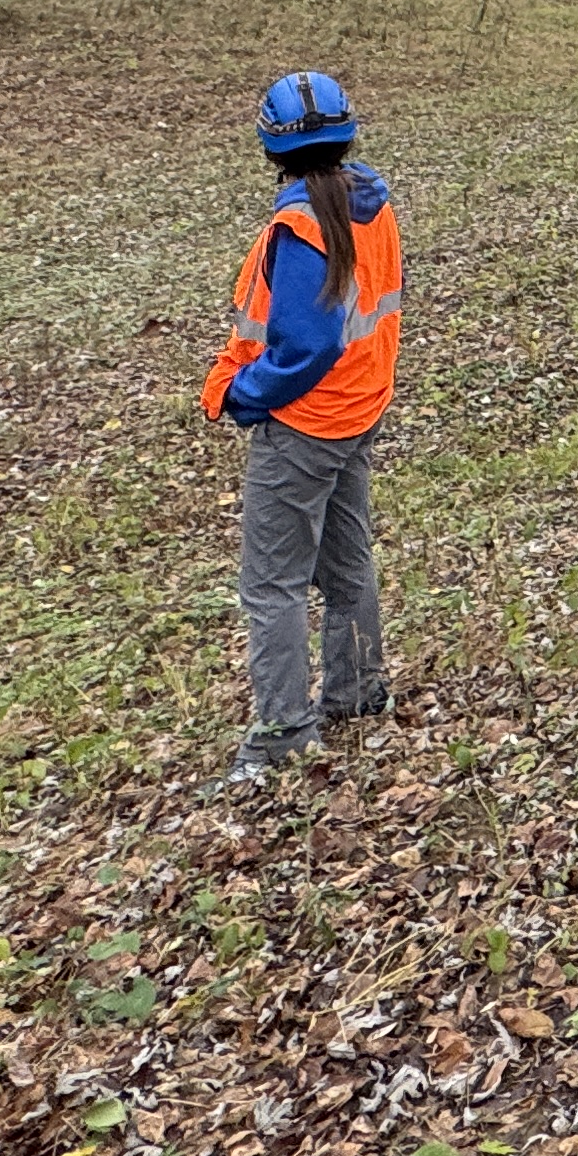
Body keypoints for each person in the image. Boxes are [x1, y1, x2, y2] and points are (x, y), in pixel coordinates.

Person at [203, 70, 405, 784]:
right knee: (348, 563)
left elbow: (306, 345)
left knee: (273, 584)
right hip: (360, 409)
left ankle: (283, 735)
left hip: (305, 425)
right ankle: (358, 693)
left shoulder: (299, 225)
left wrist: (241, 394)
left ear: (271, 146)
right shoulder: (370, 205)